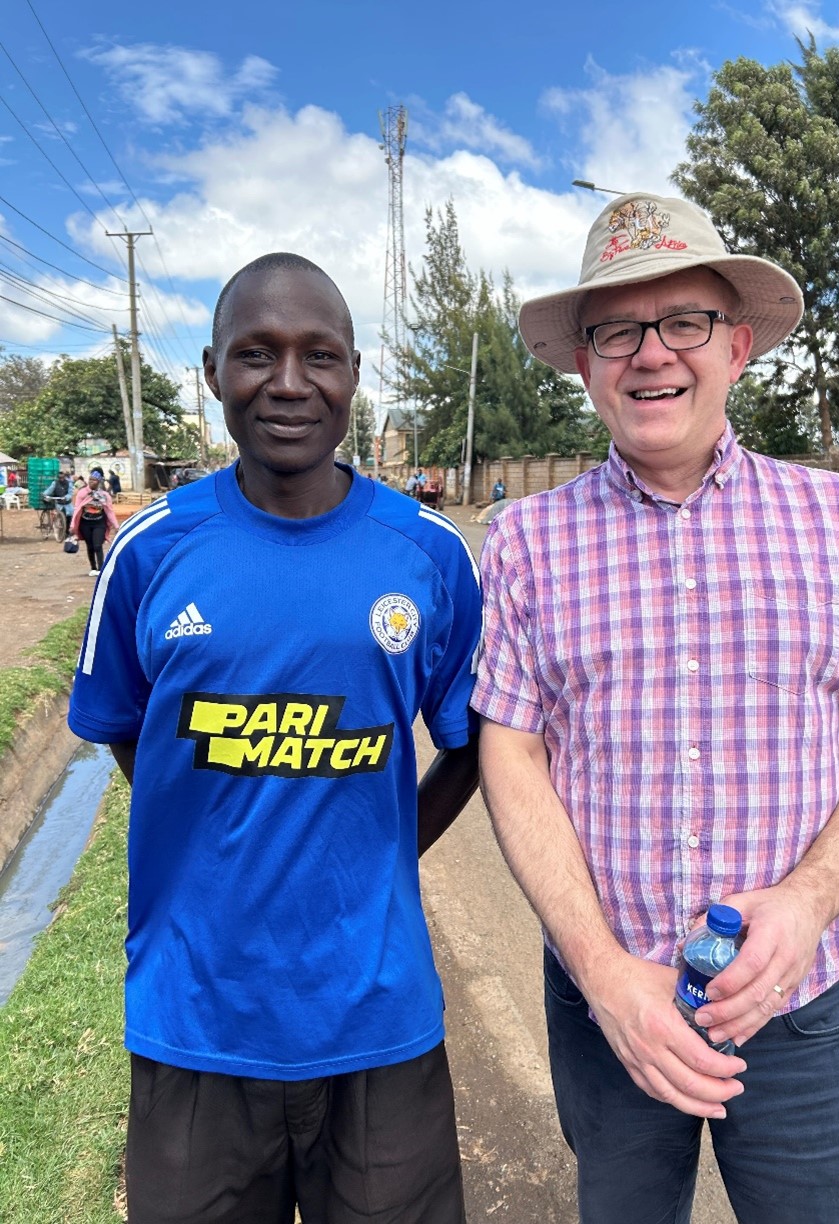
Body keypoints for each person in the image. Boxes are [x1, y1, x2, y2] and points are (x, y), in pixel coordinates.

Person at [472, 192, 839, 1224]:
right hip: (608, 1013)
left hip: (799, 1007)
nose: (649, 354)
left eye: (682, 322)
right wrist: (602, 973)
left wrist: (804, 908)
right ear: (584, 363)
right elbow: (510, 752)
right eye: (615, 330)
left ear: (736, 344)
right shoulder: (526, 542)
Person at [67, 252, 481, 1224]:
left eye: (318, 355)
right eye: (256, 353)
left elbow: (472, 739)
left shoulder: (428, 555)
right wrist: (210, 821)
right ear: (211, 371)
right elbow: (127, 733)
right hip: (194, 1026)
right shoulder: (146, 552)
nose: (288, 382)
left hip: (378, 1027)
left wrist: (388, 841)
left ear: (352, 373)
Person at [70, 472, 118, 575]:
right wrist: (73, 525)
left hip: (99, 523)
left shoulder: (104, 496)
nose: (91, 481)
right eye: (90, 479)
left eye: (94, 480)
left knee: (97, 545)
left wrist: (116, 526)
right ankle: (93, 568)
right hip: (85, 524)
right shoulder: (82, 493)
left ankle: (101, 569)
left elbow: (109, 511)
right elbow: (77, 509)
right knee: (90, 546)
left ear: (99, 482)